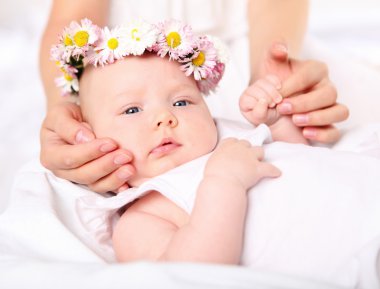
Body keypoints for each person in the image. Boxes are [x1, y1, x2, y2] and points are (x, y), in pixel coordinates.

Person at [39, 0, 349, 194]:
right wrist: (69, 106)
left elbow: (295, 161)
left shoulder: (234, 141)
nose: (165, 118)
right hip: (110, 68)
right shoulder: (148, 207)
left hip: (241, 54)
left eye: (182, 104)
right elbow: (73, 15)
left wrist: (274, 81)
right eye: (132, 110)